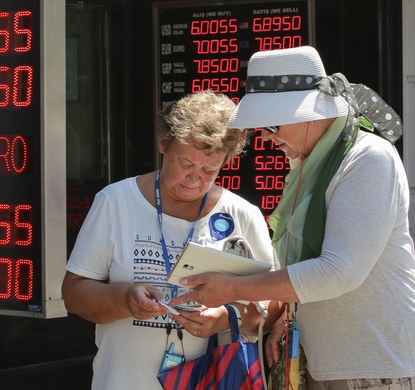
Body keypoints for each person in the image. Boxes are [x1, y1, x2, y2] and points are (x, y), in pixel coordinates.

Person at [170, 46, 415, 389]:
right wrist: (287, 315)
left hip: (383, 361)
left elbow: (338, 271)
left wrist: (233, 287)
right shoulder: (310, 164)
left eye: (270, 124)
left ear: (309, 114)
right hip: (333, 362)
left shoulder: (369, 157)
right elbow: (307, 269)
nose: (266, 138)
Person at [62, 90, 278, 389]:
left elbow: (275, 302)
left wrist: (225, 318)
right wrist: (126, 300)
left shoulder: (242, 214)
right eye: (185, 163)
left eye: (209, 169)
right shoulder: (116, 201)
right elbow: (74, 294)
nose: (194, 179)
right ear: (164, 145)